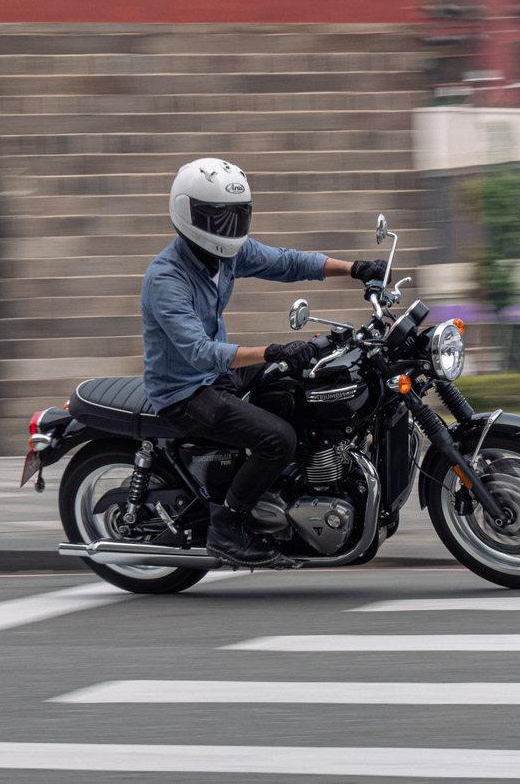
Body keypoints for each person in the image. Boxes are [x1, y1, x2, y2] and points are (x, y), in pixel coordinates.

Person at [141, 157, 386, 569]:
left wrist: (356, 269)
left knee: (310, 377)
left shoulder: (225, 256)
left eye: (236, 216)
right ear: (189, 213)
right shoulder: (167, 279)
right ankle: (227, 526)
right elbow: (199, 351)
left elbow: (288, 262)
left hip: (218, 371)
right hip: (184, 391)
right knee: (278, 438)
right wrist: (272, 351)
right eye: (217, 217)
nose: (228, 227)